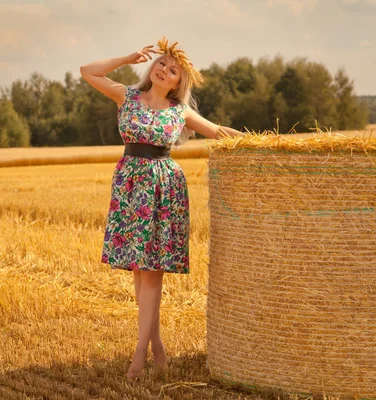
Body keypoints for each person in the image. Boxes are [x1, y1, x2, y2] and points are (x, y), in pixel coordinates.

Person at [80, 37, 245, 379]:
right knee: (139, 271)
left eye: (172, 71)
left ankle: (139, 353)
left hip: (164, 187)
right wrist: (128, 57)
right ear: (151, 67)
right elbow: (87, 72)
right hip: (130, 185)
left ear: (177, 83)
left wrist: (258, 141)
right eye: (161, 64)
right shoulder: (127, 96)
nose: (164, 70)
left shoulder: (178, 111)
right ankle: (156, 346)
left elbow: (216, 132)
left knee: (153, 271)